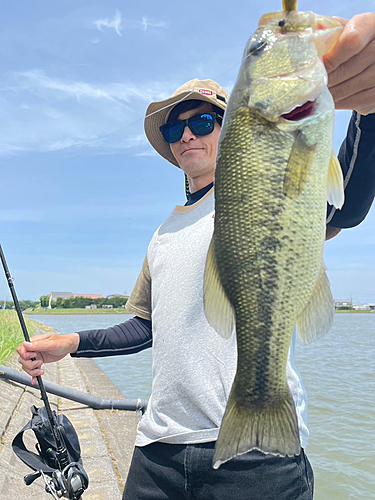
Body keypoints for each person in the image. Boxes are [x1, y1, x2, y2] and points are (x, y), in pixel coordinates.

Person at [17, 12, 375, 500]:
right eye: (174, 129)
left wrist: (370, 110)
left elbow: (348, 205)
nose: (186, 135)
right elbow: (146, 326)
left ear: (231, 129)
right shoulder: (163, 233)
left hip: (258, 459)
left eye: (202, 121)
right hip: (157, 452)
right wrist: (71, 342)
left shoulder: (265, 189)